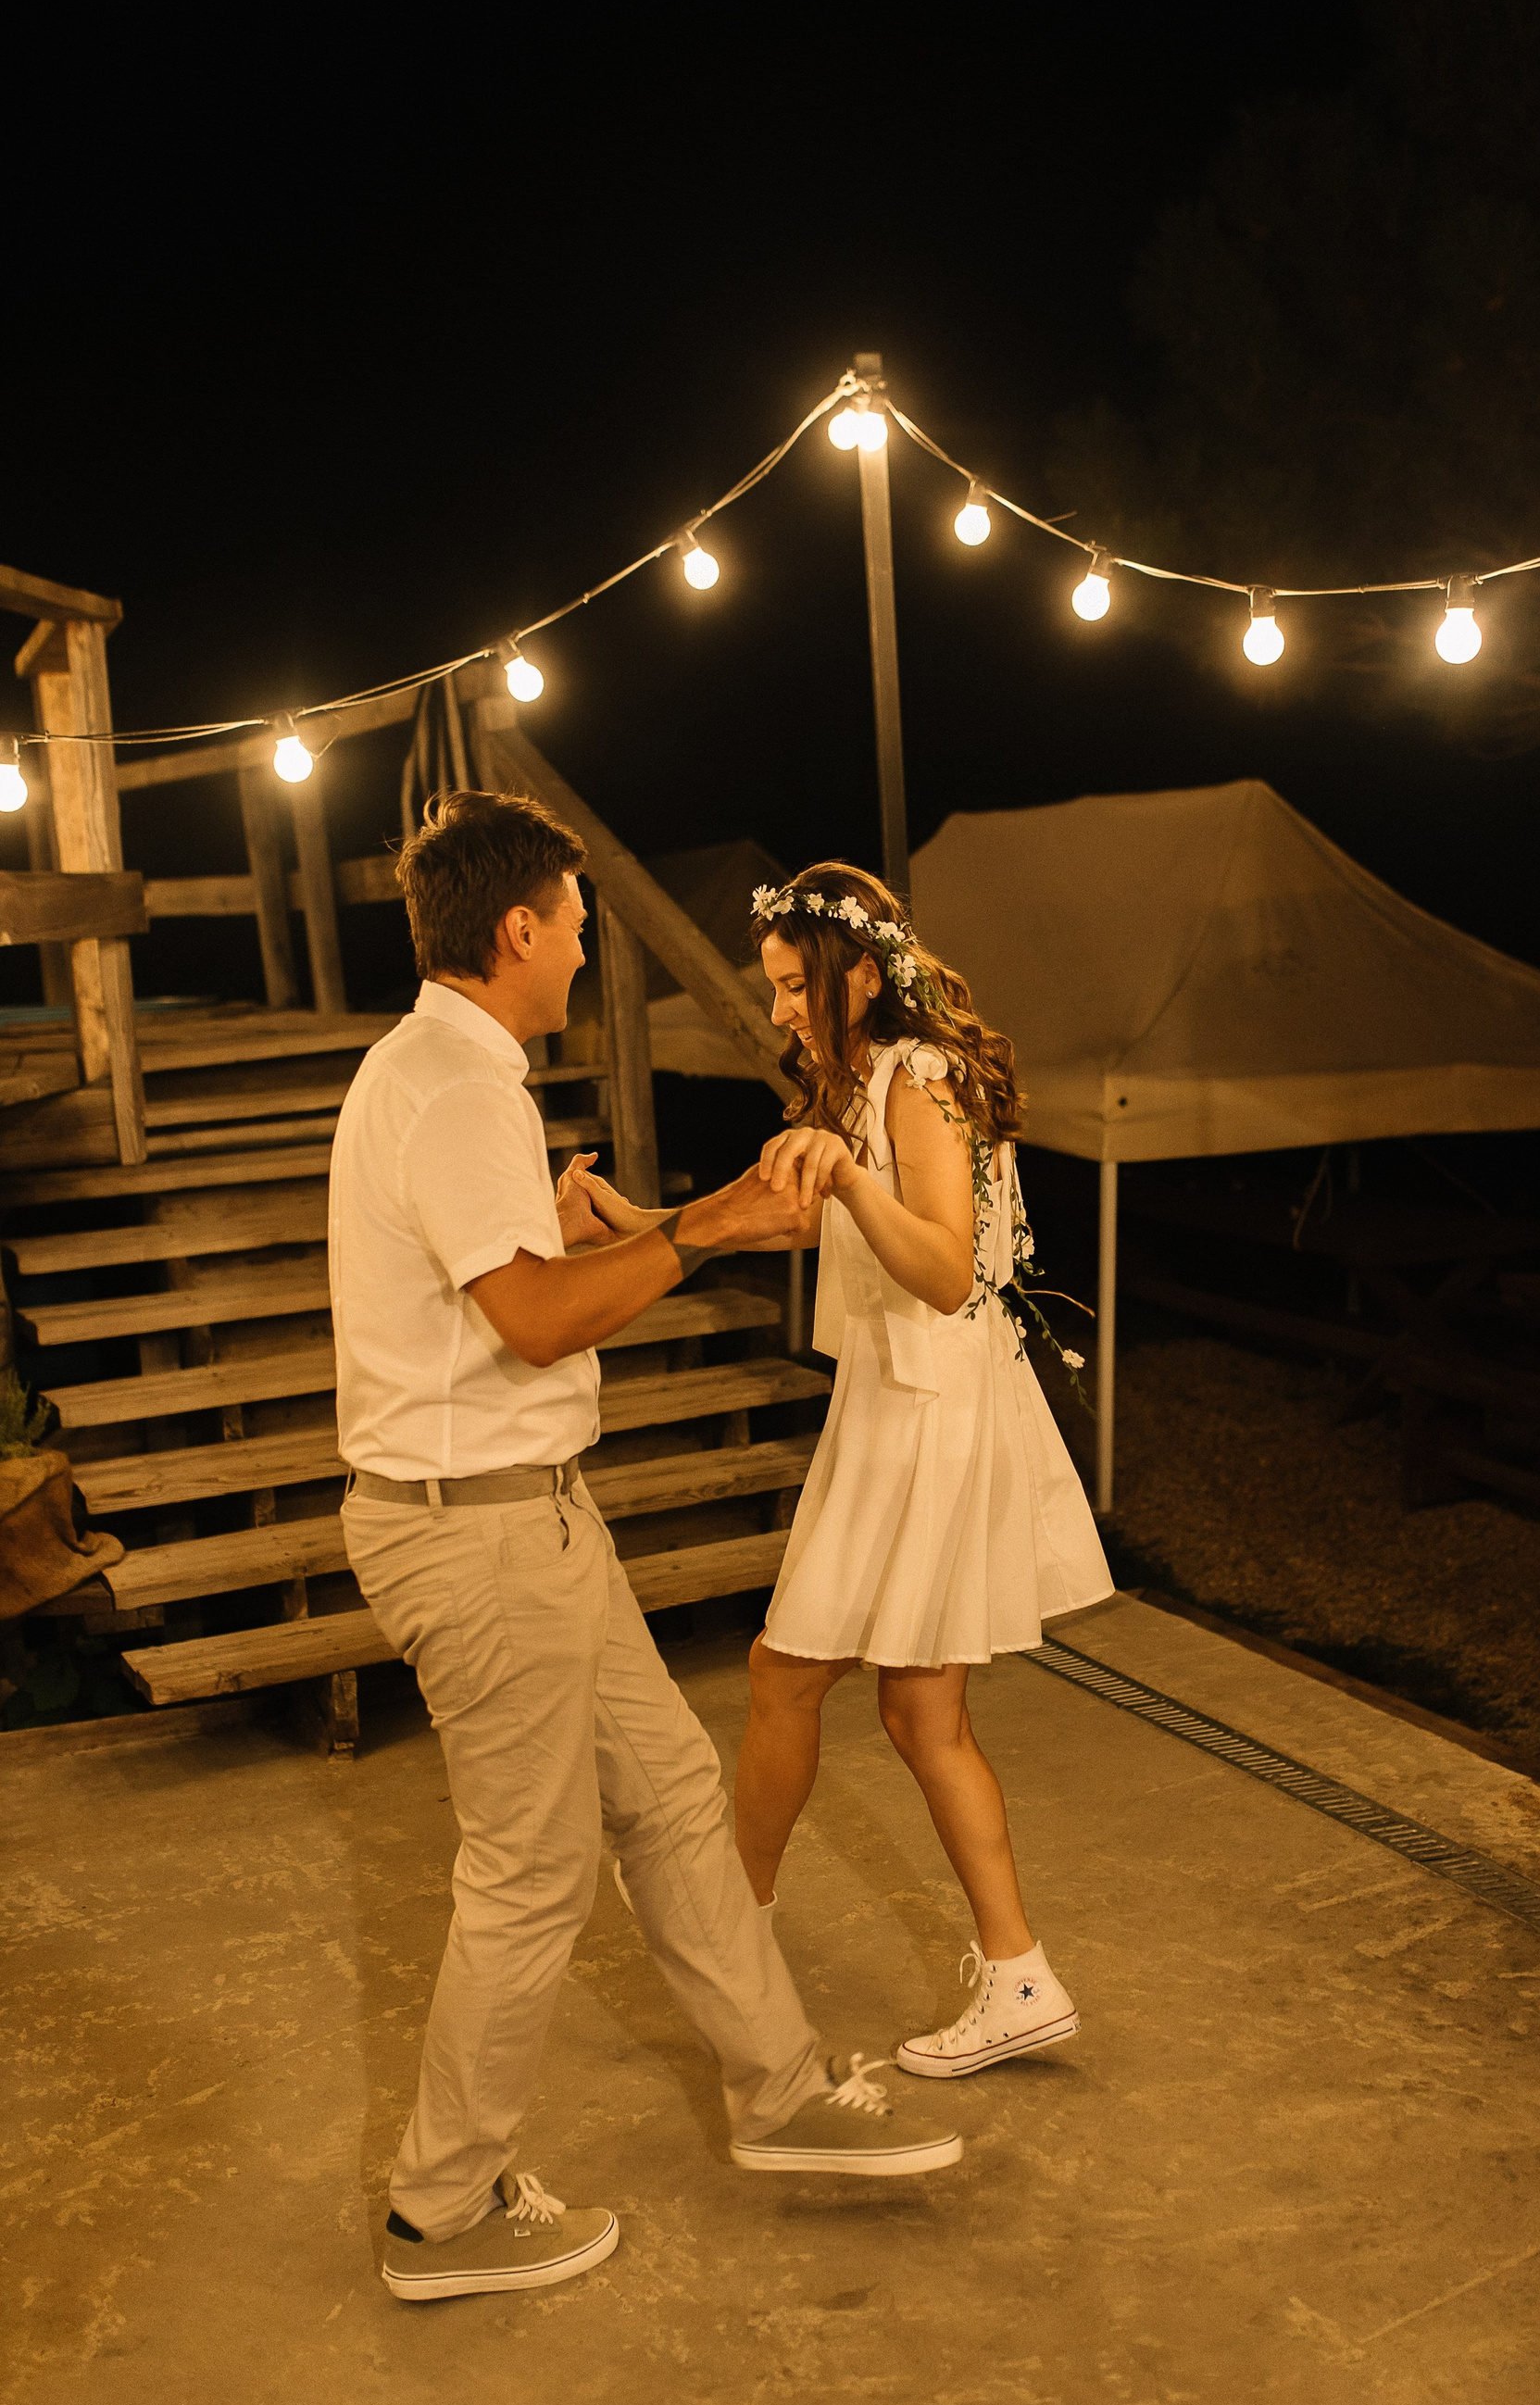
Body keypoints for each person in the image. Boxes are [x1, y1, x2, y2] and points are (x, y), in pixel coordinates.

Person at [331, 794, 962, 2307]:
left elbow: (515, 1285)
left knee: (674, 1797)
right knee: (533, 1871)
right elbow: (536, 1322)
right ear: (517, 932)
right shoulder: (455, 1088)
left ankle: (781, 2091)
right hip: (477, 1532)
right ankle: (442, 2210)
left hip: (529, 1512)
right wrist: (707, 1229)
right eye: (573, 921)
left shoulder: (438, 1072)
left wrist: (646, 1227)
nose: (582, 946)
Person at [574, 863, 1111, 2082]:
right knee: (920, 1712)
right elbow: (789, 1217)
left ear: (861, 972)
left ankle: (730, 1932)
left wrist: (854, 1175)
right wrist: (633, 1221)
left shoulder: (918, 1077)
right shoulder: (867, 1076)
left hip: (926, 1411)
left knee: (786, 1673)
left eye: (789, 986)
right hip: (904, 1403)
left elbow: (947, 1271)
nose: (778, 1011)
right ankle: (1020, 1978)